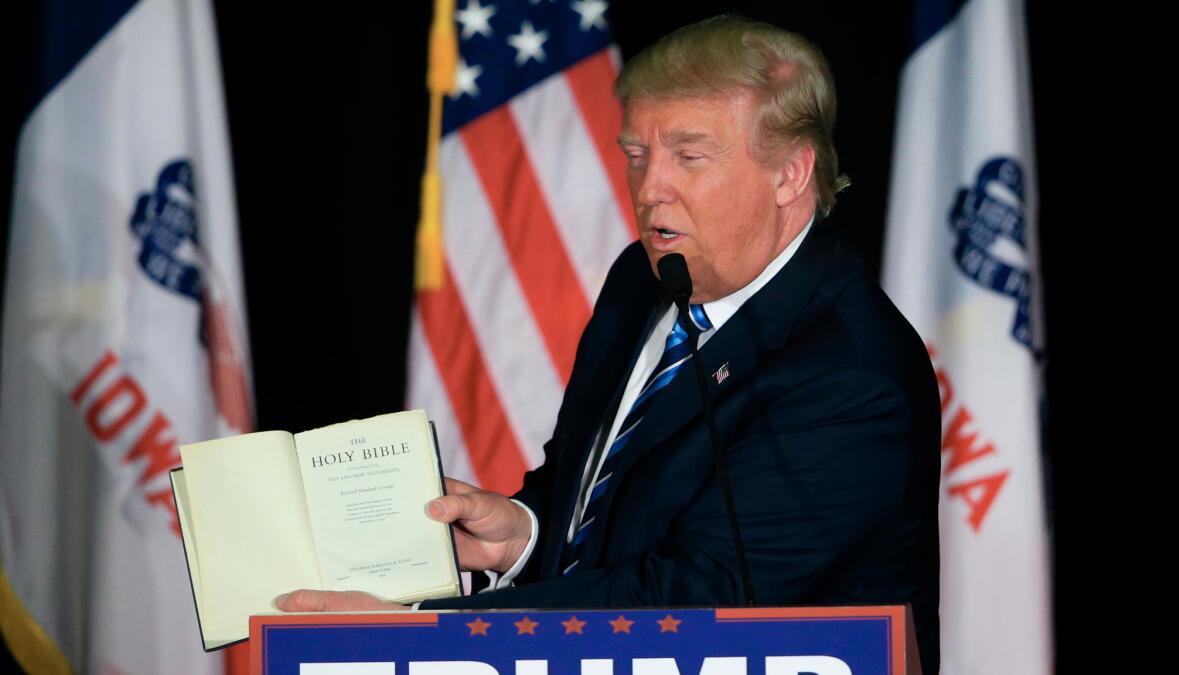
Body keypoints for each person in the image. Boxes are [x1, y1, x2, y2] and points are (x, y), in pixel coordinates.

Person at [277, 15, 941, 674]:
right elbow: (592, 482)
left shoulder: (853, 375)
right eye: (637, 155)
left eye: (689, 155)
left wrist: (427, 631)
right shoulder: (641, 280)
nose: (650, 188)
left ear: (790, 175)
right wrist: (525, 532)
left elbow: (694, 598)